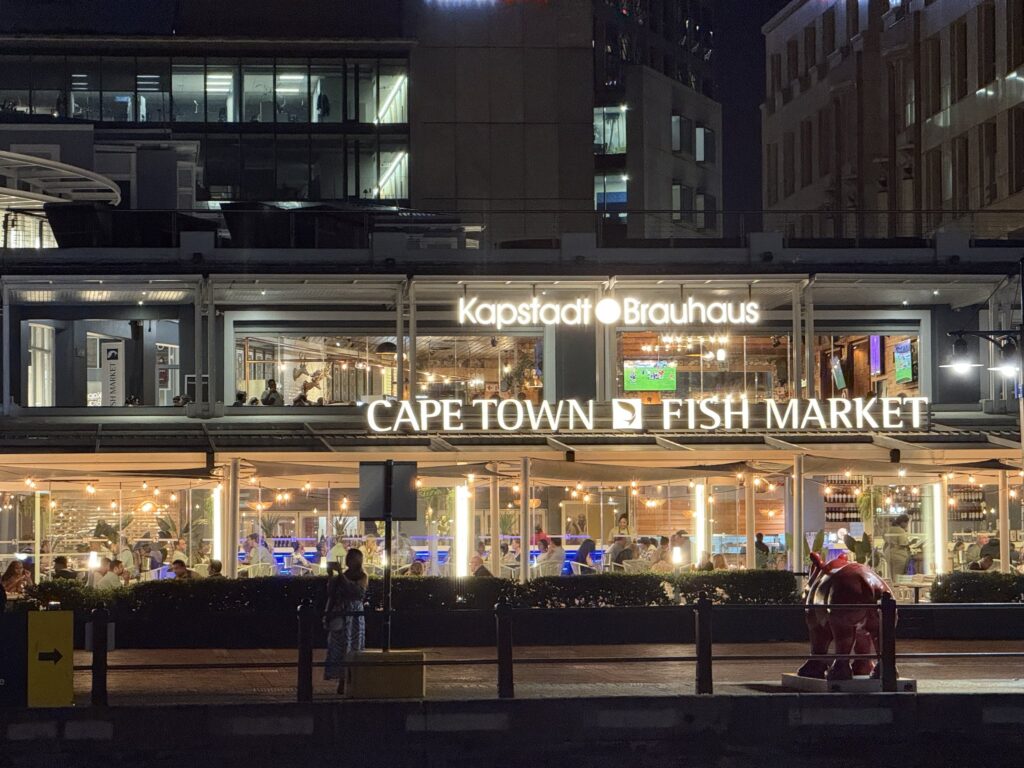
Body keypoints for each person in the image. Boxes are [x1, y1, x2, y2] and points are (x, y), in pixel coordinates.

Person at [323, 549, 368, 695]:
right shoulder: (342, 576)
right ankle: (341, 678)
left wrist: (340, 574)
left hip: (353, 616)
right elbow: (331, 593)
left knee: (352, 647)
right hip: (340, 614)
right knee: (338, 646)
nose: (348, 560)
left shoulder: (362, 576)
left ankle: (348, 680)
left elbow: (355, 591)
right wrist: (331, 575)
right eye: (348, 557)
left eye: (351, 558)